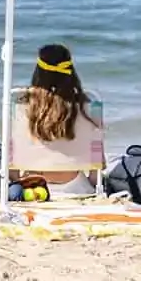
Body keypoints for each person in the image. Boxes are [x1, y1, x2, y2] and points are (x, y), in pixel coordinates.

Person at [13, 43, 102, 194]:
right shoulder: (88, 105)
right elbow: (96, 166)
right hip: (75, 187)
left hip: (33, 187)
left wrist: (16, 182)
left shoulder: (22, 106)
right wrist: (93, 186)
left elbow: (12, 162)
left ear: (38, 72)